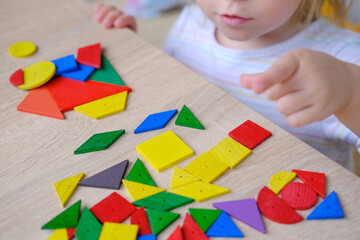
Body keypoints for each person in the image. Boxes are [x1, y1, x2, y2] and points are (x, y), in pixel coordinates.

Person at [93, 0, 360, 171]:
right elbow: (173, 98)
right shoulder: (191, 21)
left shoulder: (343, 60)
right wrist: (132, 49)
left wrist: (349, 92)